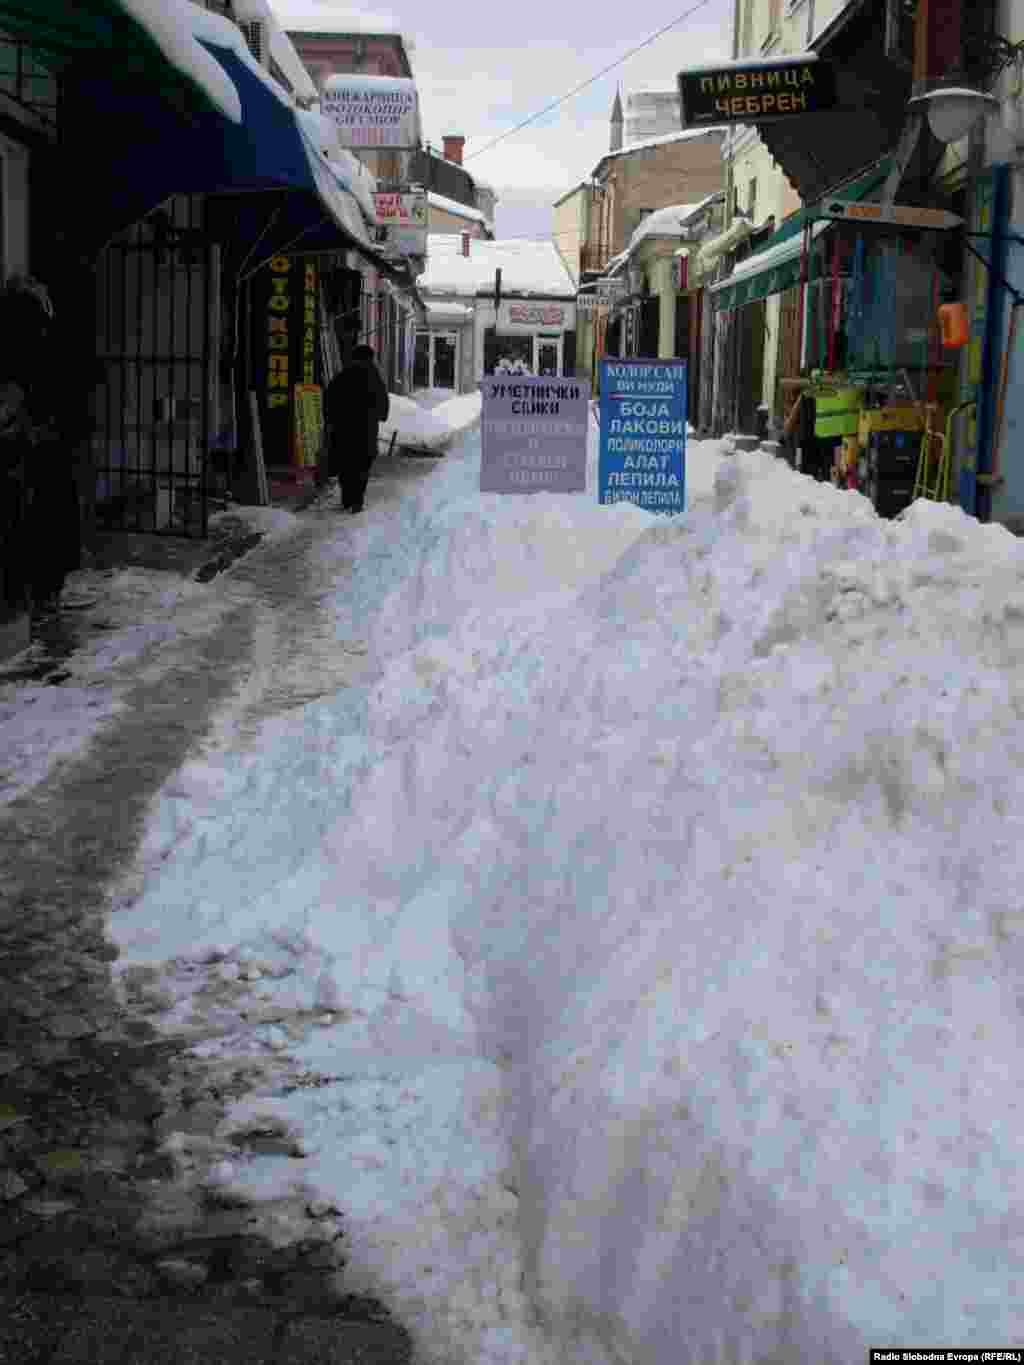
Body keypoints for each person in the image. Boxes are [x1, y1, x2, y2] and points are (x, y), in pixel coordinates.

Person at [324, 343, 390, 514]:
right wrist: (379, 415)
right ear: (370, 357)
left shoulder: (342, 375)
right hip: (365, 430)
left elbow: (329, 398)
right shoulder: (374, 376)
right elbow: (382, 401)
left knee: (345, 464)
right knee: (362, 465)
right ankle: (357, 500)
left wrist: (331, 420)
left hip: (343, 429)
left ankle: (347, 498)